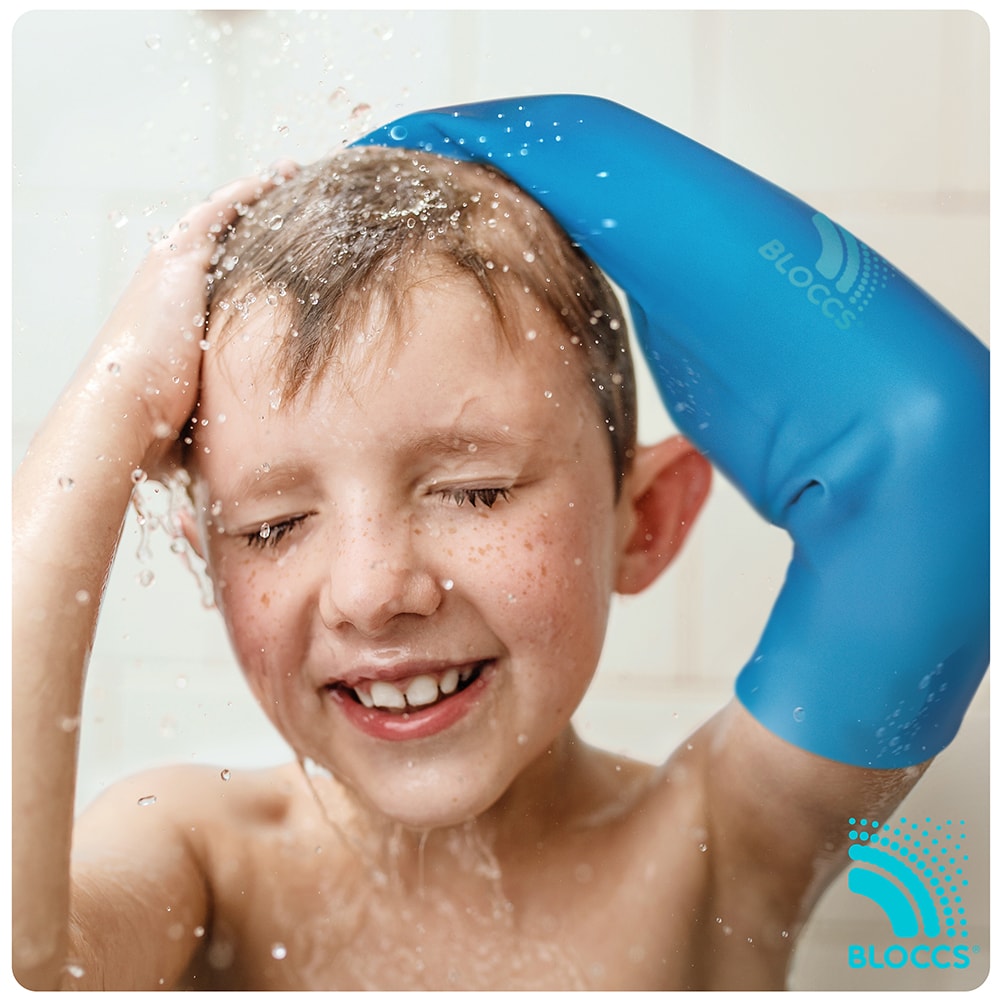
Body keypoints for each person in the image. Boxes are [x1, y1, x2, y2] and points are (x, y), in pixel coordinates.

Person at [12, 95, 988, 991]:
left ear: (641, 521)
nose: (370, 590)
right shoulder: (198, 859)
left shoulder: (715, 852)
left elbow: (948, 463)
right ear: (211, 564)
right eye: (272, 527)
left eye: (474, 492)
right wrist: (114, 405)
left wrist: (579, 144)